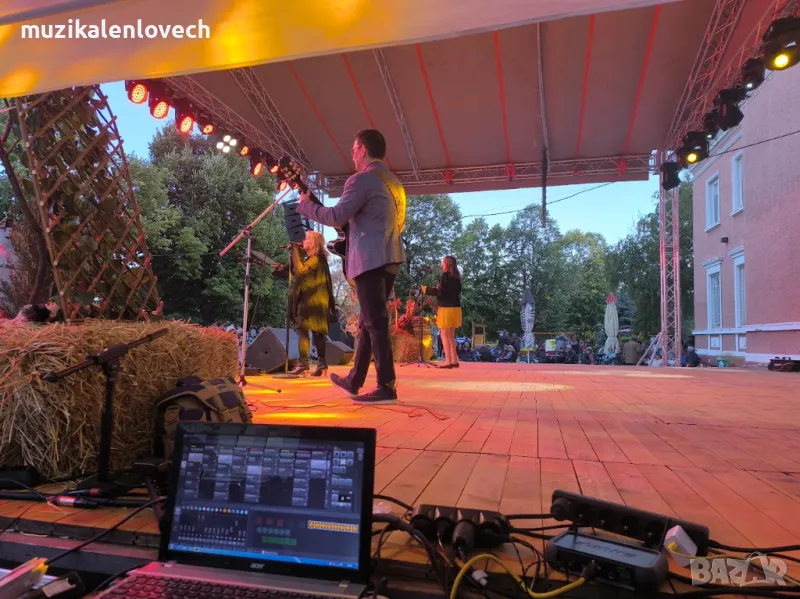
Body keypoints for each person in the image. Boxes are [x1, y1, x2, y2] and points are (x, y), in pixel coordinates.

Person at [297, 129, 406, 404]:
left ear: (363, 149)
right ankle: (355, 380)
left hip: (370, 258)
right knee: (370, 321)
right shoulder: (394, 183)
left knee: (375, 321)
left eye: (354, 149)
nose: (352, 154)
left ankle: (386, 386)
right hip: (390, 255)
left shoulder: (362, 179)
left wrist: (306, 206)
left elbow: (336, 216)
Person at [271, 231, 337, 376]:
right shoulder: (315, 259)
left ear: (314, 243)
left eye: (307, 238)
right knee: (317, 333)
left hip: (310, 302)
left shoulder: (316, 259)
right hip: (316, 301)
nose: (303, 240)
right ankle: (322, 365)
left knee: (303, 329)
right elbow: (295, 271)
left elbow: (300, 272)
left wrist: (295, 250)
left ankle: (303, 364)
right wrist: (279, 268)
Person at [422, 256, 462, 369]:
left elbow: (441, 293)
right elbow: (453, 292)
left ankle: (448, 361)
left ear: (446, 264)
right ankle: (454, 360)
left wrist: (427, 290)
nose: (441, 264)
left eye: (443, 262)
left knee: (444, 334)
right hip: (456, 308)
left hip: (446, 308)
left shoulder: (445, 275)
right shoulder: (457, 277)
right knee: (451, 335)